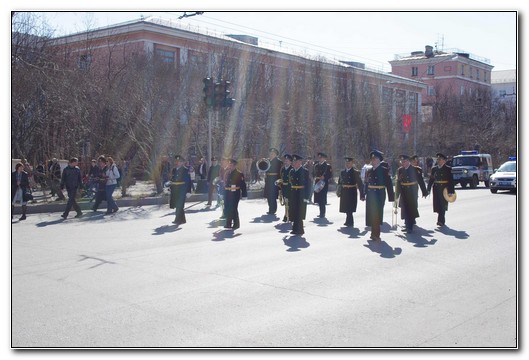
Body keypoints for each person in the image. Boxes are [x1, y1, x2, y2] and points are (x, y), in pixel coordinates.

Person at [364, 150, 395, 241]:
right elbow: (366, 183)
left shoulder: (384, 170)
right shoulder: (369, 170)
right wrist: (363, 194)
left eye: (375, 159)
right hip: (370, 194)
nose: (373, 160)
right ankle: (373, 232)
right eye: (372, 159)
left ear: (379, 160)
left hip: (379, 194)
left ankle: (376, 234)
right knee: (371, 213)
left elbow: (389, 184)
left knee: (377, 214)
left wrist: (391, 197)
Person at [394, 155, 428, 233]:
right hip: (403, 191)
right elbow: (398, 183)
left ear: (408, 161)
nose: (403, 163)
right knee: (404, 208)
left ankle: (409, 226)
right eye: (402, 162)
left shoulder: (415, 169)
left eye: (405, 161)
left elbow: (421, 181)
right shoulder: (400, 170)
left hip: (412, 190)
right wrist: (396, 194)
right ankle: (407, 225)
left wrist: (424, 191)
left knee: (411, 207)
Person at [427, 152, 455, 227]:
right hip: (436, 188)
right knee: (437, 204)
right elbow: (431, 179)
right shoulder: (434, 169)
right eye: (438, 159)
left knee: (443, 204)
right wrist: (428, 189)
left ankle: (441, 220)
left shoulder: (448, 169)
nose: (438, 161)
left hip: (444, 189)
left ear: (444, 161)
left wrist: (451, 191)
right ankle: (440, 217)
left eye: (440, 159)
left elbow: (451, 181)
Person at [338, 157, 365, 227]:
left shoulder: (355, 172)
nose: (347, 164)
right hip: (344, 191)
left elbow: (360, 184)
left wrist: (362, 195)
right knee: (346, 207)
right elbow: (339, 182)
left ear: (352, 164)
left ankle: (350, 221)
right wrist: (338, 191)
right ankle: (348, 220)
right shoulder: (342, 172)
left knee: (350, 207)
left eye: (349, 163)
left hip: (351, 191)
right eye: (346, 163)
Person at [288, 154, 311, 235]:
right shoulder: (292, 171)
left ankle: (299, 229)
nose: (295, 163)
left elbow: (308, 185)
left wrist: (306, 197)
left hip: (301, 193)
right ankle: (296, 229)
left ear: (300, 162)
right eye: (294, 161)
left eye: (297, 161)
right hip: (294, 192)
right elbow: (290, 184)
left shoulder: (304, 171)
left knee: (299, 211)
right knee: (294, 210)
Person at [223, 158, 247, 230]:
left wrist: (244, 194)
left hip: (235, 193)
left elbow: (243, 185)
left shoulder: (239, 173)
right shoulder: (227, 173)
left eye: (231, 164)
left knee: (233, 208)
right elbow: (225, 183)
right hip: (228, 193)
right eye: (229, 164)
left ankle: (236, 224)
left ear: (234, 165)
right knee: (227, 208)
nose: (229, 166)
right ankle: (228, 223)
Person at [169, 155, 192, 225]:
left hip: (182, 190)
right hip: (175, 190)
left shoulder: (185, 170)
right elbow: (172, 180)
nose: (178, 163)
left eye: (179, 161)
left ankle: (177, 220)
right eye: (176, 161)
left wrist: (188, 191)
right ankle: (182, 219)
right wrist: (170, 187)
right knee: (178, 205)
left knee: (180, 205)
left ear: (182, 163)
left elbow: (188, 181)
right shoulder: (174, 170)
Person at [264, 147, 283, 215]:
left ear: (275, 155)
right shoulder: (267, 161)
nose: (271, 155)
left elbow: (280, 172)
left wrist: (280, 182)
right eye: (270, 153)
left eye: (272, 154)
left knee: (273, 195)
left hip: (275, 180)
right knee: (269, 195)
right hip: (268, 179)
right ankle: (270, 208)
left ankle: (273, 209)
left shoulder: (279, 162)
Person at [313, 152, 333, 218]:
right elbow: (313, 173)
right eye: (319, 157)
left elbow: (330, 175)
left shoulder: (327, 166)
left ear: (324, 158)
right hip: (317, 182)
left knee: (322, 198)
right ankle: (320, 211)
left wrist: (325, 177)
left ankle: (322, 213)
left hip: (324, 183)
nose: (320, 159)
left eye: (321, 157)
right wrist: (312, 176)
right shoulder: (316, 165)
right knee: (318, 198)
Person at [279, 154, 293, 222]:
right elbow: (281, 178)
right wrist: (280, 184)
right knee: (285, 202)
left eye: (287, 161)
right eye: (285, 161)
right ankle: (286, 214)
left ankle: (289, 216)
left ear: (290, 162)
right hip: (284, 187)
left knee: (290, 202)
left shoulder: (292, 169)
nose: (286, 162)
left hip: (290, 188)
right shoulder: (282, 169)